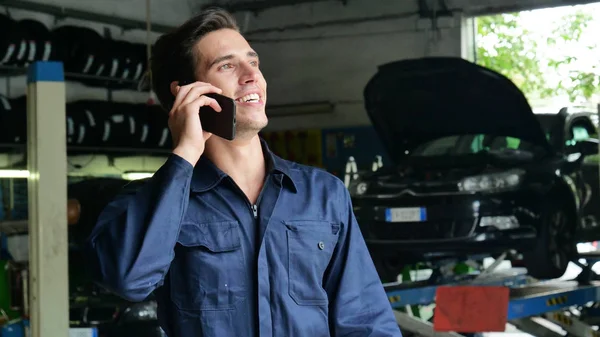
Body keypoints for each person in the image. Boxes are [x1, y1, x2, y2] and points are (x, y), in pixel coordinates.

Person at [85, 7, 402, 337]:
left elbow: (366, 321)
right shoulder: (150, 203)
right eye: (226, 65)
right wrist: (186, 152)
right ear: (188, 93)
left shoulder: (322, 195)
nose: (252, 75)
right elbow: (128, 280)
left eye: (253, 62)